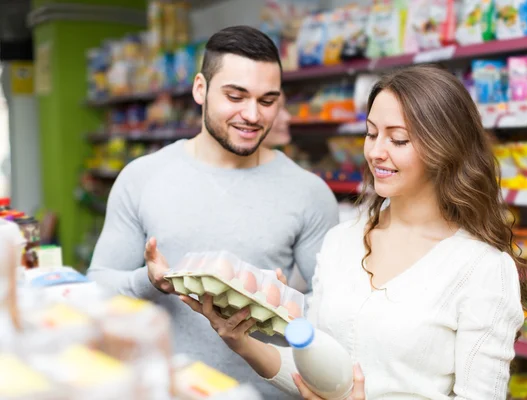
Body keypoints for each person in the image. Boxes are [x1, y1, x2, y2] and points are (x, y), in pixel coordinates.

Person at [180, 65, 527, 399]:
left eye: (398, 140)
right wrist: (239, 338)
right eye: (371, 133)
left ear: (446, 148)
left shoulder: (481, 268)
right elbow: (319, 373)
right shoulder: (342, 241)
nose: (376, 152)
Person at [87, 25, 339, 400]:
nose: (252, 115)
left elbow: (332, 315)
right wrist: (150, 281)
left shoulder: (309, 192)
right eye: (236, 96)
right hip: (167, 391)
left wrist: (281, 306)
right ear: (200, 89)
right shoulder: (142, 177)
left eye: (268, 100)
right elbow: (97, 288)